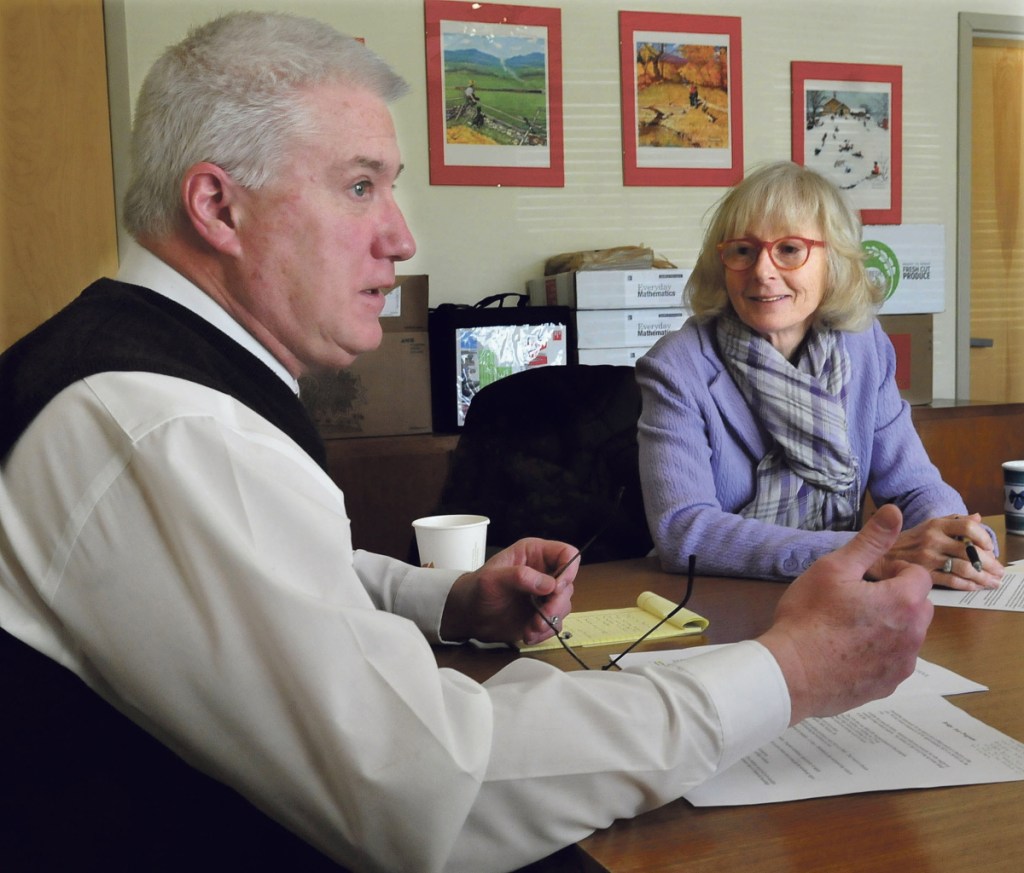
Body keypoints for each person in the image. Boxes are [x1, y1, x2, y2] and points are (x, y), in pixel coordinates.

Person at [0, 14, 933, 873]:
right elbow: (429, 787)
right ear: (218, 205)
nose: (401, 238)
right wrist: (790, 670)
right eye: (360, 186)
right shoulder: (166, 427)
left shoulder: (155, 382)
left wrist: (445, 595)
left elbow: (274, 569)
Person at [636, 161, 1002, 590]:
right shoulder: (677, 366)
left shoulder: (864, 348)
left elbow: (913, 488)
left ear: (834, 261)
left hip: (841, 598)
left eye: (789, 249)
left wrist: (957, 537)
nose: (762, 271)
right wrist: (868, 554)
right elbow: (684, 531)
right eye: (743, 250)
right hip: (719, 599)